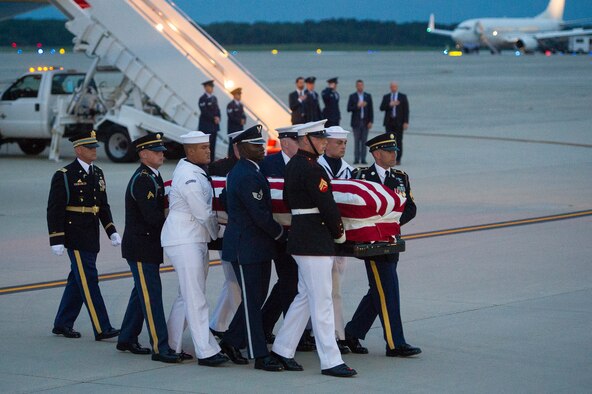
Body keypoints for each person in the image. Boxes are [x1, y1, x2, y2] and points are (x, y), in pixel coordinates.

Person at [271, 120, 357, 377]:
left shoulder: (294, 165)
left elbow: (286, 200)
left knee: (306, 296)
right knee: (322, 300)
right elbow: (328, 205)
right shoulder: (313, 169)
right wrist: (339, 233)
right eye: (319, 139)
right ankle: (331, 360)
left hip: (301, 237)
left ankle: (282, 349)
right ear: (306, 140)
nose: (323, 143)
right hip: (314, 241)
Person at [343, 133, 421, 358]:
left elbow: (410, 208)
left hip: (392, 241)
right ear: (377, 154)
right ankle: (395, 343)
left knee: (379, 289)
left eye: (395, 150)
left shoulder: (400, 177)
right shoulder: (361, 176)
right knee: (388, 289)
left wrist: (390, 225)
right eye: (389, 151)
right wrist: (377, 228)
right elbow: (354, 208)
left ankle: (352, 331)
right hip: (372, 244)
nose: (394, 154)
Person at [218, 125, 288, 372]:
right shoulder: (247, 174)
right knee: (251, 301)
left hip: (255, 246)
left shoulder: (247, 171)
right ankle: (259, 355)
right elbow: (260, 215)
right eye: (256, 145)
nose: (261, 148)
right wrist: (282, 234)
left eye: (262, 144)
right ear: (241, 149)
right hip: (246, 247)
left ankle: (230, 341)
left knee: (254, 299)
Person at [161, 131, 228, 367]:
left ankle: (170, 345)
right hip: (184, 238)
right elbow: (202, 212)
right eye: (202, 148)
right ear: (189, 152)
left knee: (186, 295)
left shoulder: (196, 171)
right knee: (195, 296)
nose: (208, 151)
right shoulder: (188, 176)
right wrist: (216, 234)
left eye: (208, 147)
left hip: (192, 238)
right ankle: (206, 350)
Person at [47, 130, 121, 341]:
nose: (94, 150)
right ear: (78, 150)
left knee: (77, 279)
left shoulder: (97, 173)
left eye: (95, 147)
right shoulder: (64, 175)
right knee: (89, 280)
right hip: (75, 234)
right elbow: (55, 209)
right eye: (90, 148)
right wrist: (57, 239)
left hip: (91, 233)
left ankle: (62, 323)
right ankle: (102, 327)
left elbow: (102, 205)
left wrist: (111, 230)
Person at [118, 133, 183, 364]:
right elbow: (152, 217)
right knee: (151, 297)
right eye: (156, 151)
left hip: (147, 246)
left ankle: (126, 337)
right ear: (143, 154)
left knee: (141, 293)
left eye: (162, 150)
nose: (162, 154)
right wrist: (178, 220)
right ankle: (161, 347)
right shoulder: (143, 179)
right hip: (141, 247)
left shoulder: (152, 176)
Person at [259, 125, 316, 352]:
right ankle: (297, 335)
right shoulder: (268, 165)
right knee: (290, 281)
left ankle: (264, 324)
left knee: (288, 282)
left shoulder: (306, 163)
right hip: (277, 235)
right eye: (297, 141)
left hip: (300, 234)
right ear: (284, 143)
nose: (301, 145)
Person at [317, 126, 354, 354]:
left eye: (344, 143)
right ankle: (323, 333)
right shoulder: (315, 167)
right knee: (320, 290)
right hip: (319, 235)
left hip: (340, 236)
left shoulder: (349, 171)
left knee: (336, 288)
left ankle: (336, 333)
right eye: (338, 143)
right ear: (326, 143)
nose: (342, 147)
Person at [208, 130, 243, 338]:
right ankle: (241, 327)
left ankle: (218, 323)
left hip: (242, 232)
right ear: (236, 147)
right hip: (224, 231)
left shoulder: (256, 165)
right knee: (233, 280)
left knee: (233, 281)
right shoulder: (219, 167)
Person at [379, 82, 409, 165]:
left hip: (399, 122)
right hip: (389, 122)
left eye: (395, 87)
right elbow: (381, 108)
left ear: (397, 87)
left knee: (399, 141)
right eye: (392, 87)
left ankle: (398, 159)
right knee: (389, 141)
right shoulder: (386, 97)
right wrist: (390, 104)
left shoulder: (402, 97)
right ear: (390, 88)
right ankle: (389, 158)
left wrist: (406, 122)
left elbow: (406, 110)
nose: (393, 88)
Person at [347, 80, 373, 165]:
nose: (360, 87)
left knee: (364, 141)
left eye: (361, 85)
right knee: (357, 141)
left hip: (365, 122)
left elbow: (371, 110)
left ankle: (363, 159)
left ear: (363, 86)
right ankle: (356, 158)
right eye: (358, 85)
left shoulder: (367, 96)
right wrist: (357, 106)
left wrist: (371, 121)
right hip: (356, 122)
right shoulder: (352, 96)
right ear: (356, 86)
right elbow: (349, 108)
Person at [198, 80, 221, 162]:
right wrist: (214, 118)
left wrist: (218, 117)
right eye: (210, 86)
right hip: (206, 127)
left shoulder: (214, 98)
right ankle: (204, 163)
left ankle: (211, 163)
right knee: (205, 146)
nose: (211, 88)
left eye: (212, 86)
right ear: (206, 87)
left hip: (214, 127)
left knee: (213, 146)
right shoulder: (202, 99)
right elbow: (204, 112)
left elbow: (218, 110)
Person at [226, 87, 246, 157]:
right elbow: (231, 116)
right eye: (238, 94)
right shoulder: (230, 105)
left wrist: (244, 120)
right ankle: (230, 159)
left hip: (239, 128)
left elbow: (243, 115)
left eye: (240, 94)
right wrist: (240, 121)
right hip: (233, 129)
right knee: (232, 146)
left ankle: (237, 158)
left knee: (239, 145)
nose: (240, 96)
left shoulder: (240, 105)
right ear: (234, 95)